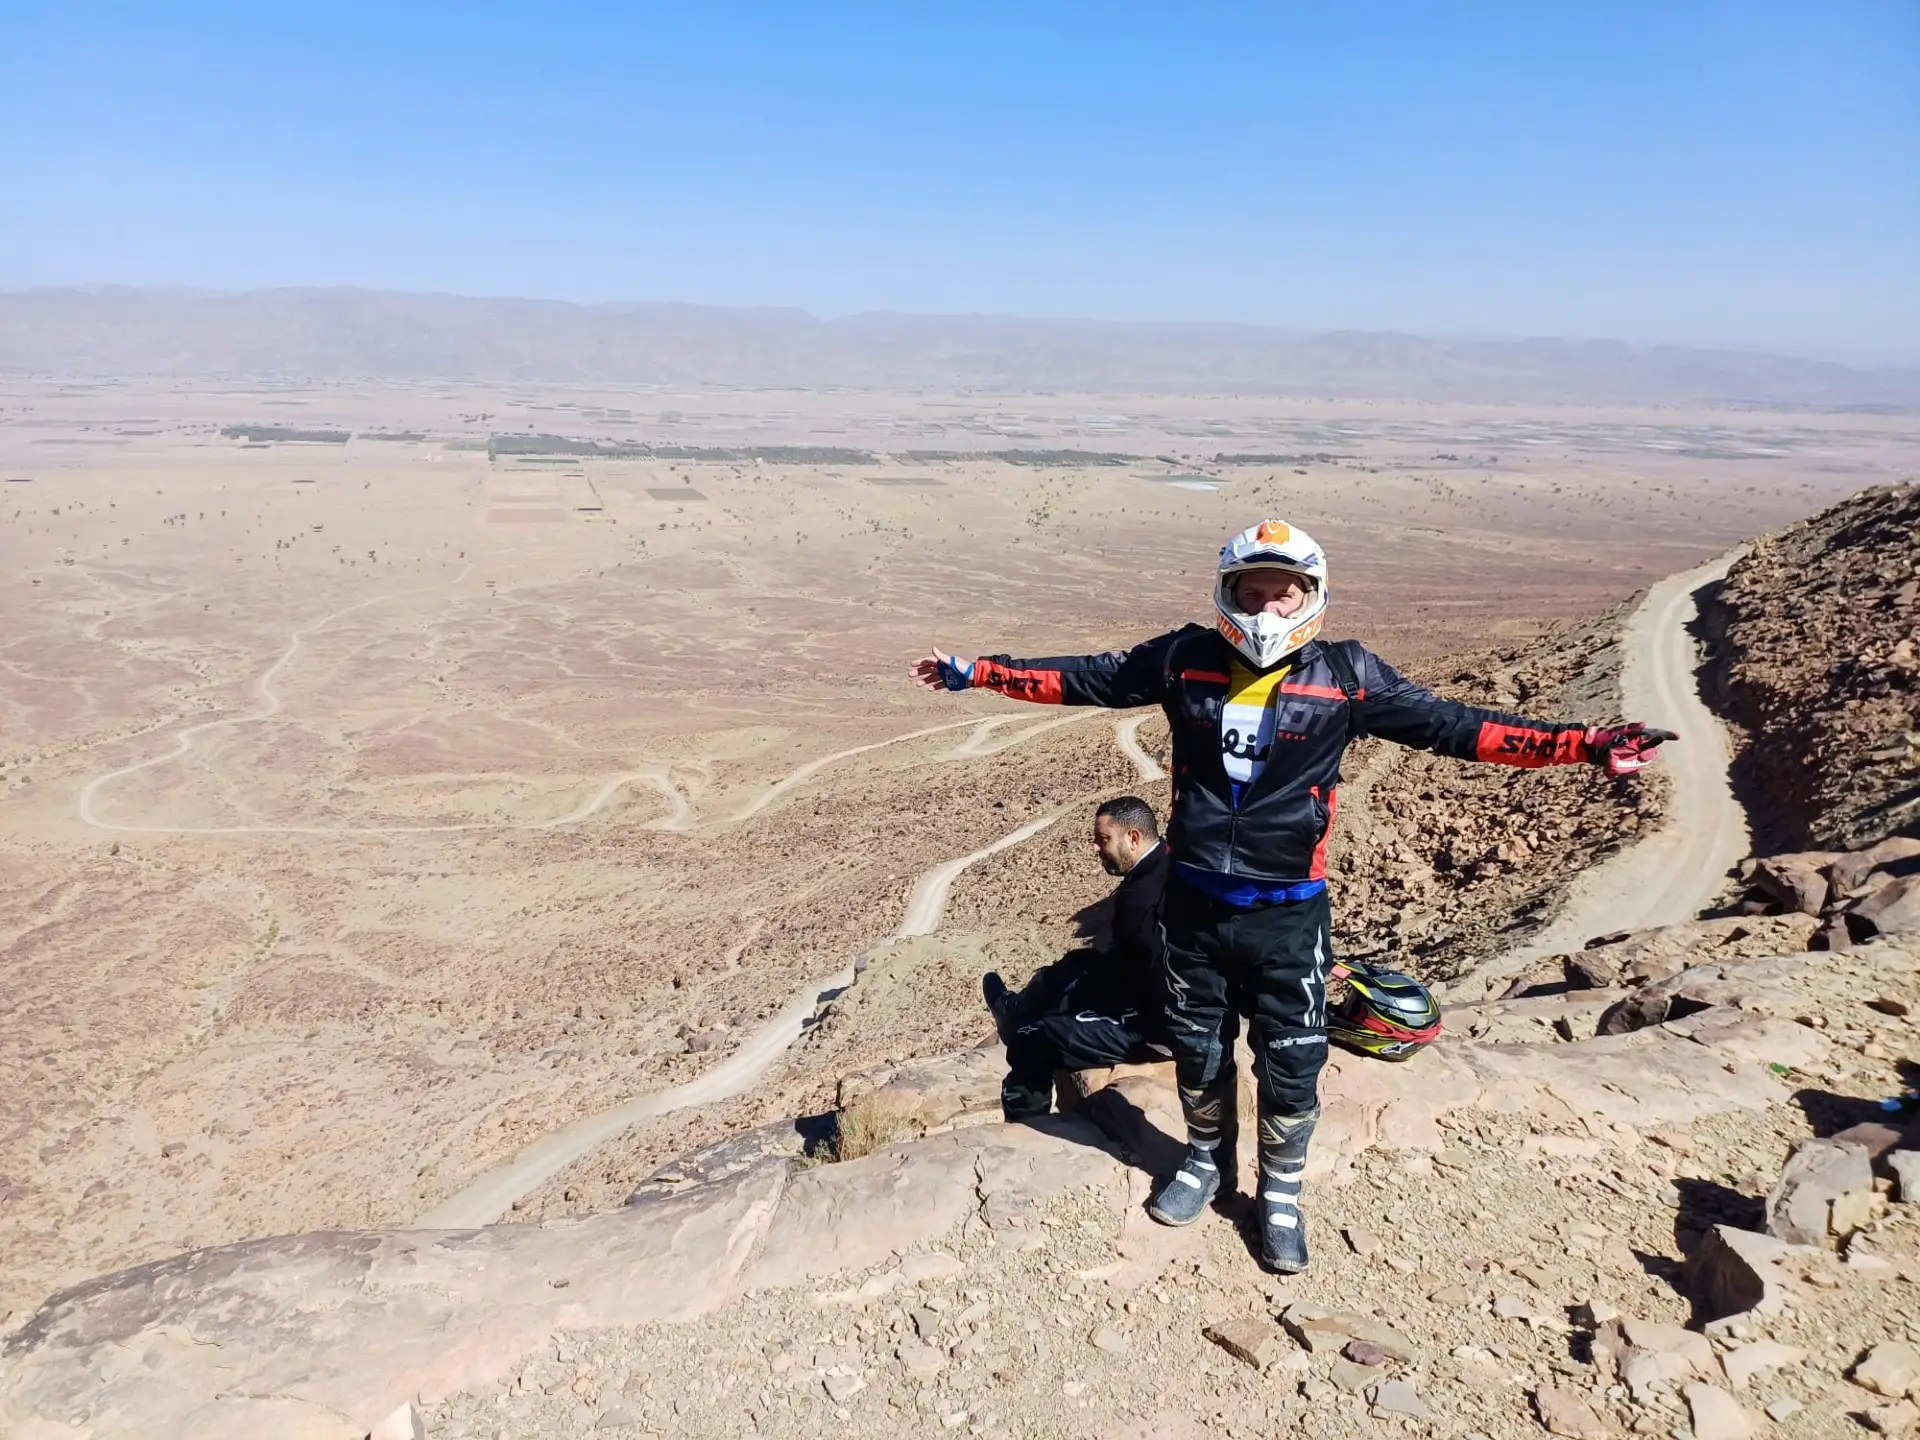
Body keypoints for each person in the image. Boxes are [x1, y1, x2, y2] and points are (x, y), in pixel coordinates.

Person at [910, 519, 1675, 1274]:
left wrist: (1584, 743)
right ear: (1228, 594)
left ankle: (1279, 1193)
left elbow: (1455, 727)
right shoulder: (1184, 660)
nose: (1268, 609)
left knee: (1292, 1059)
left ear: (1312, 596)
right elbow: (1086, 677)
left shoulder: (1345, 674)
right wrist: (978, 672)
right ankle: (1204, 1163)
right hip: (1194, 908)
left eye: (1285, 594)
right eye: (1253, 592)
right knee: (1199, 1051)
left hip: (1288, 914)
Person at [984, 795, 1171, 1121]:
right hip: (1160, 1002)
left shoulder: (1141, 900)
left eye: (1104, 839)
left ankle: (1026, 1124)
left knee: (1032, 1036)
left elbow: (1141, 977)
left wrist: (1078, 1002)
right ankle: (1013, 1009)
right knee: (1076, 963)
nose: (1096, 848)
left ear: (1133, 838)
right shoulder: (1166, 861)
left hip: (1154, 1027)